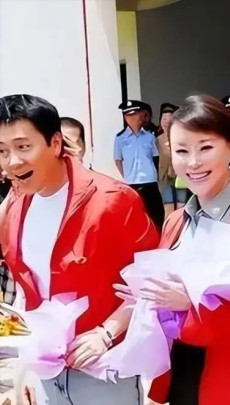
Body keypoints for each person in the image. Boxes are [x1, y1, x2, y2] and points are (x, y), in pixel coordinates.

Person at [114, 94, 230, 405]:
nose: (193, 163)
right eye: (181, 151)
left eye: (205, 148)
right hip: (186, 373)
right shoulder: (176, 222)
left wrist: (190, 305)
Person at [0, 94, 159, 404]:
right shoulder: (15, 208)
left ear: (55, 143)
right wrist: (25, 364)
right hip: (46, 373)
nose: (12, 162)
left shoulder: (112, 200)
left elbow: (151, 279)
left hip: (103, 371)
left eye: (23, 147)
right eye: (2, 151)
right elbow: (26, 289)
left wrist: (106, 333)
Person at [115, 100, 165, 231]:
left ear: (141, 116)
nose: (131, 118)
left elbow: (155, 157)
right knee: (134, 216)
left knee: (156, 215)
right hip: (132, 183)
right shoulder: (120, 138)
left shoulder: (149, 137)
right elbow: (118, 160)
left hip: (150, 182)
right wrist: (126, 175)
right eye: (128, 115)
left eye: (134, 114)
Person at [156, 102, 185, 218]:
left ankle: (181, 229)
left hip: (180, 178)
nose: (166, 123)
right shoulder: (156, 140)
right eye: (164, 119)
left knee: (181, 208)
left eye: (169, 120)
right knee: (168, 209)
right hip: (164, 180)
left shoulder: (181, 138)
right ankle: (169, 229)